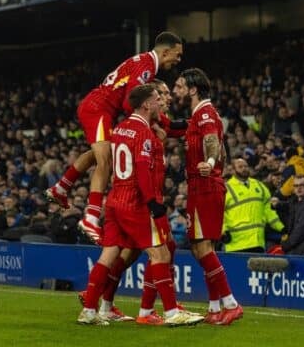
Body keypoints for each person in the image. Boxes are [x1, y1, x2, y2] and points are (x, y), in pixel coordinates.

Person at [77, 84, 202, 326]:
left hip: (114, 200)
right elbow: (143, 171)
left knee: (109, 254)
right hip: (136, 203)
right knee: (161, 253)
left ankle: (91, 310)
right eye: (157, 99)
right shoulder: (144, 134)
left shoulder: (121, 129)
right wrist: (153, 204)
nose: (160, 104)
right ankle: (171, 312)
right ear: (146, 104)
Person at [46, 32, 185, 243]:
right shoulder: (146, 65)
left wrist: (165, 123)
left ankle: (61, 188)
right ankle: (91, 217)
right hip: (99, 109)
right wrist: (150, 124)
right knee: (106, 161)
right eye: (177, 54)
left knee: (97, 154)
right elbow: (130, 103)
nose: (178, 59)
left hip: (99, 108)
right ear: (166, 52)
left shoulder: (144, 63)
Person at [173, 68, 243, 325]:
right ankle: (214, 308)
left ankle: (231, 303)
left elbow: (213, 141)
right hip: (199, 186)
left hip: (206, 185)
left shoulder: (204, 113)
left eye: (180, 86)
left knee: (202, 247)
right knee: (200, 247)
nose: (176, 91)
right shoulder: (196, 116)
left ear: (192, 89)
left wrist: (210, 161)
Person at [222, 158, 284, 253]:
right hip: (235, 244)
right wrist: (223, 231)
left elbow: (268, 210)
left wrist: (280, 227)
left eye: (246, 166)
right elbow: (217, 213)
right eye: (240, 167)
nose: (244, 168)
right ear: (234, 170)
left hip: (257, 242)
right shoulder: (226, 189)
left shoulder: (259, 185)